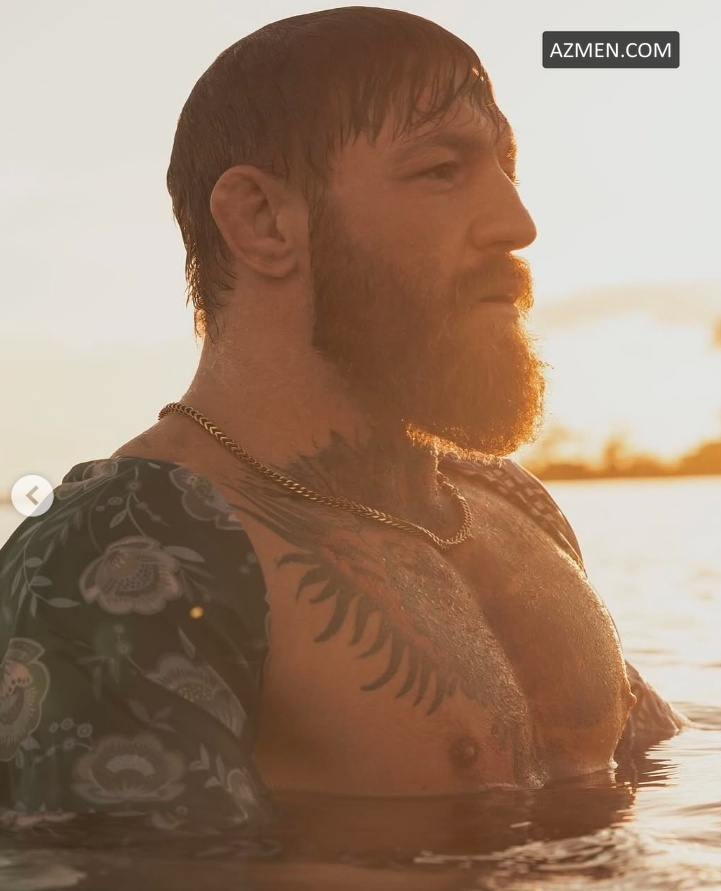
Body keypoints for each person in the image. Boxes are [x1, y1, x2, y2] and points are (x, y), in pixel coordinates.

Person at [0, 7, 685, 837]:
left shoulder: (509, 504)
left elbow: (669, 787)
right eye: (442, 169)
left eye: (506, 168)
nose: (517, 223)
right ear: (263, 221)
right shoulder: (130, 545)